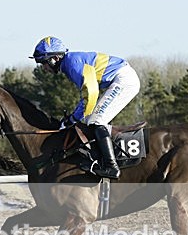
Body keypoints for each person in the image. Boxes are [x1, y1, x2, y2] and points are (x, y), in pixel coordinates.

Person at [30, 36, 140, 179]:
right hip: (120, 78)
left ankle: (111, 166)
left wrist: (73, 118)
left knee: (96, 121)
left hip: (124, 80)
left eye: (44, 63)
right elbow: (89, 97)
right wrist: (74, 117)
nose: (43, 68)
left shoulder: (73, 64)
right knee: (90, 119)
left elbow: (91, 94)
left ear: (55, 58)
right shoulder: (70, 63)